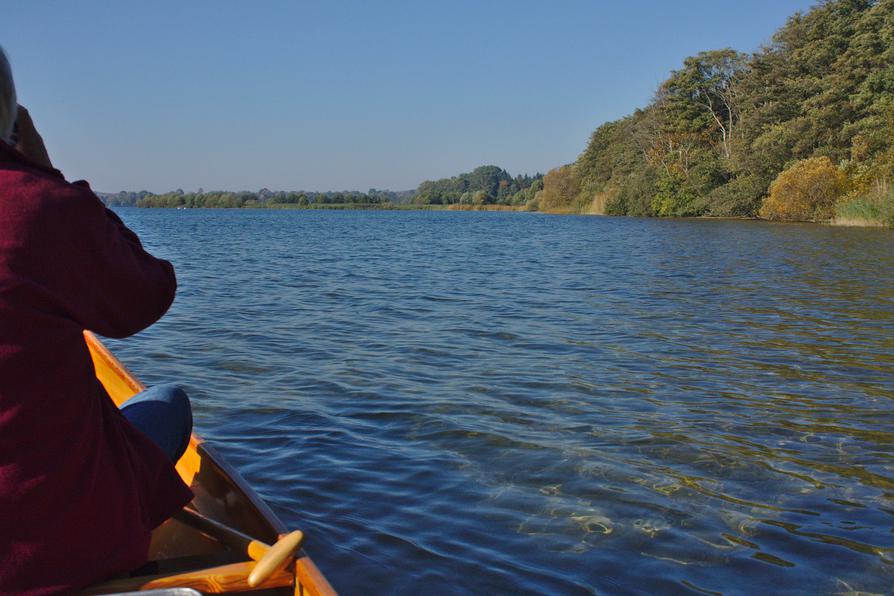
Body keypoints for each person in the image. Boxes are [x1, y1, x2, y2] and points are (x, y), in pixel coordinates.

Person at [0, 47, 194, 593]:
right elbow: (150, 292)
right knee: (168, 402)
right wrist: (47, 175)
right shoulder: (34, 207)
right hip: (57, 554)